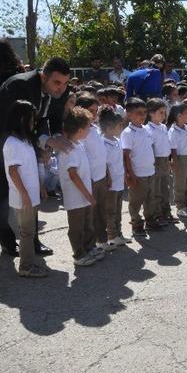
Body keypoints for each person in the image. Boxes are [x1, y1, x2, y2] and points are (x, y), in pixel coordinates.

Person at [0, 57, 72, 257]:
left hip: (25, 138)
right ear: (43, 76)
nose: (61, 88)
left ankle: (32, 242)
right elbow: (15, 124)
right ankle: (8, 242)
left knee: (29, 188)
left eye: (65, 83)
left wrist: (50, 142)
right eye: (56, 82)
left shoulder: (62, 90)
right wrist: (44, 141)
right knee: (1, 193)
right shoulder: (20, 85)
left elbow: (53, 119)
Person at [2, 100, 48, 277]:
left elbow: (30, 168)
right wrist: (25, 195)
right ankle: (26, 266)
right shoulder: (12, 143)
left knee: (30, 231)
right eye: (31, 119)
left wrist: (40, 186)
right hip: (23, 196)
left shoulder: (26, 141)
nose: (33, 122)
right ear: (21, 119)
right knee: (27, 232)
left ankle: (28, 263)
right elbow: (13, 172)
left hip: (31, 194)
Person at [58, 107, 100, 267]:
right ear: (81, 129)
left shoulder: (78, 145)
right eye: (89, 126)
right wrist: (88, 195)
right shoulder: (69, 149)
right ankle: (79, 254)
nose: (91, 128)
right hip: (75, 197)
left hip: (84, 195)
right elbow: (73, 175)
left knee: (87, 224)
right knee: (77, 227)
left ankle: (89, 247)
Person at [76, 95, 112, 254]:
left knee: (101, 211)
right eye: (90, 111)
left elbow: (102, 155)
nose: (94, 114)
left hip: (101, 177)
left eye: (95, 111)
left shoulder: (95, 129)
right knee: (89, 214)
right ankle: (89, 245)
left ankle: (102, 240)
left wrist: (107, 173)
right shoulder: (80, 133)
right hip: (89, 179)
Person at [121, 98, 159, 237]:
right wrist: (130, 174)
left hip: (150, 171)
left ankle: (150, 220)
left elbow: (149, 148)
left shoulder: (146, 129)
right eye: (138, 113)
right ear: (129, 114)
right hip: (138, 174)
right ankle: (136, 224)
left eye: (144, 112)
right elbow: (126, 155)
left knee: (150, 198)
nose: (143, 115)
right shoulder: (128, 133)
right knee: (136, 201)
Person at [98, 107, 131, 247]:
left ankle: (118, 233)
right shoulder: (102, 143)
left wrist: (124, 174)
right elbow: (104, 163)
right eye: (120, 125)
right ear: (110, 127)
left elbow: (119, 160)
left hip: (119, 180)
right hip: (110, 183)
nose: (121, 128)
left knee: (118, 209)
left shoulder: (117, 140)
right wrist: (109, 177)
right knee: (110, 210)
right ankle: (111, 235)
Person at [146, 99, 174, 225]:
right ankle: (157, 215)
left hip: (165, 160)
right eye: (161, 112)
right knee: (156, 190)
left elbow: (166, 144)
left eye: (165, 112)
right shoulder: (148, 129)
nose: (164, 115)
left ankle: (166, 212)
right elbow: (150, 149)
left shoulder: (163, 127)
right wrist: (154, 164)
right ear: (151, 113)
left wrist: (169, 161)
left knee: (165, 189)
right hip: (155, 161)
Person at [168, 102, 187, 218]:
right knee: (180, 184)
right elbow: (173, 149)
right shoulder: (173, 131)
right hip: (180, 159)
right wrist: (175, 162)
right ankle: (180, 207)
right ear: (179, 116)